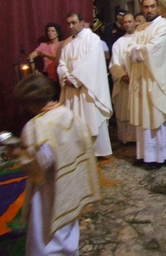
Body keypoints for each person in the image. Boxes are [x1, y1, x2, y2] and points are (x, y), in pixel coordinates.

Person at [8, 74, 100, 256]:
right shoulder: (69, 114)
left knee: (46, 233)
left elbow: (38, 166)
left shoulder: (36, 126)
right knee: (67, 225)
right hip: (70, 184)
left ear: (32, 102)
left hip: (48, 189)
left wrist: (17, 152)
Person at [127, 0, 166, 170]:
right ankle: (145, 154)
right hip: (142, 79)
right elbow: (129, 49)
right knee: (144, 115)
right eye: (145, 7)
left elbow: (152, 50)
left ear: (158, 7)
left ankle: (160, 156)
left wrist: (137, 50)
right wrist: (137, 50)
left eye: (152, 6)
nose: (149, 10)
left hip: (157, 80)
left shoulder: (163, 26)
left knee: (156, 114)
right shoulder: (141, 27)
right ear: (142, 8)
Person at [58, 12, 113, 157]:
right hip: (72, 90)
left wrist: (75, 79)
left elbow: (91, 63)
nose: (71, 26)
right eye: (68, 23)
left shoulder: (93, 39)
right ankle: (79, 151)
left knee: (91, 118)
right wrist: (66, 76)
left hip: (87, 89)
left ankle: (97, 152)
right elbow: (61, 63)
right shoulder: (67, 43)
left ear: (82, 22)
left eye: (74, 22)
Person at [109, 12, 136, 144]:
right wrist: (123, 76)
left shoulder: (142, 39)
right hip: (124, 82)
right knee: (124, 109)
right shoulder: (118, 43)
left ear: (135, 22)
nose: (127, 24)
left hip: (138, 82)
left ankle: (139, 138)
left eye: (130, 21)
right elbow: (114, 63)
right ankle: (126, 137)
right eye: (125, 22)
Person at [28, 22, 63, 98]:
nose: (50, 33)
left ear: (57, 33)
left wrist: (46, 55)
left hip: (59, 76)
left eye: (53, 31)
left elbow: (60, 57)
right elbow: (31, 56)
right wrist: (34, 70)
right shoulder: (44, 45)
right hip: (47, 77)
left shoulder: (62, 44)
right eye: (48, 31)